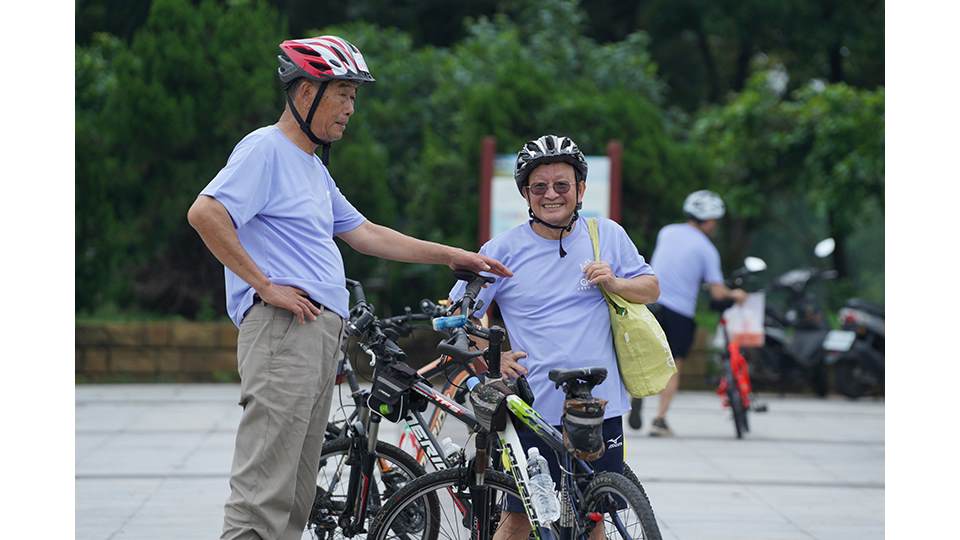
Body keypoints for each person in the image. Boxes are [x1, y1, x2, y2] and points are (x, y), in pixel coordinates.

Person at [186, 35, 511, 540]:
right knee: (263, 488)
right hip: (282, 329)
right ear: (305, 92)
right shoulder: (265, 149)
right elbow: (206, 213)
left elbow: (366, 233)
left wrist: (452, 255)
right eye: (342, 93)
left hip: (316, 332)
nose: (350, 108)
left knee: (295, 491)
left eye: (353, 96)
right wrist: (266, 286)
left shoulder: (312, 167)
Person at [448, 135, 659, 540]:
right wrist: (493, 359)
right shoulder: (503, 249)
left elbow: (651, 287)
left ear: (581, 189)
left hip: (599, 403)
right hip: (533, 406)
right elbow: (460, 313)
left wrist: (614, 282)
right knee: (519, 520)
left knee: (594, 515)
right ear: (525, 194)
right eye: (539, 187)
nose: (551, 195)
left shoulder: (607, 235)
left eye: (561, 185)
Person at [628, 190, 747, 437]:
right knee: (673, 366)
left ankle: (637, 394)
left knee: (647, 358)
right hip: (680, 312)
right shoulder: (707, 249)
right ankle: (659, 420)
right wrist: (736, 294)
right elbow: (717, 292)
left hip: (652, 305)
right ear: (710, 220)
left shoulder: (667, 232)